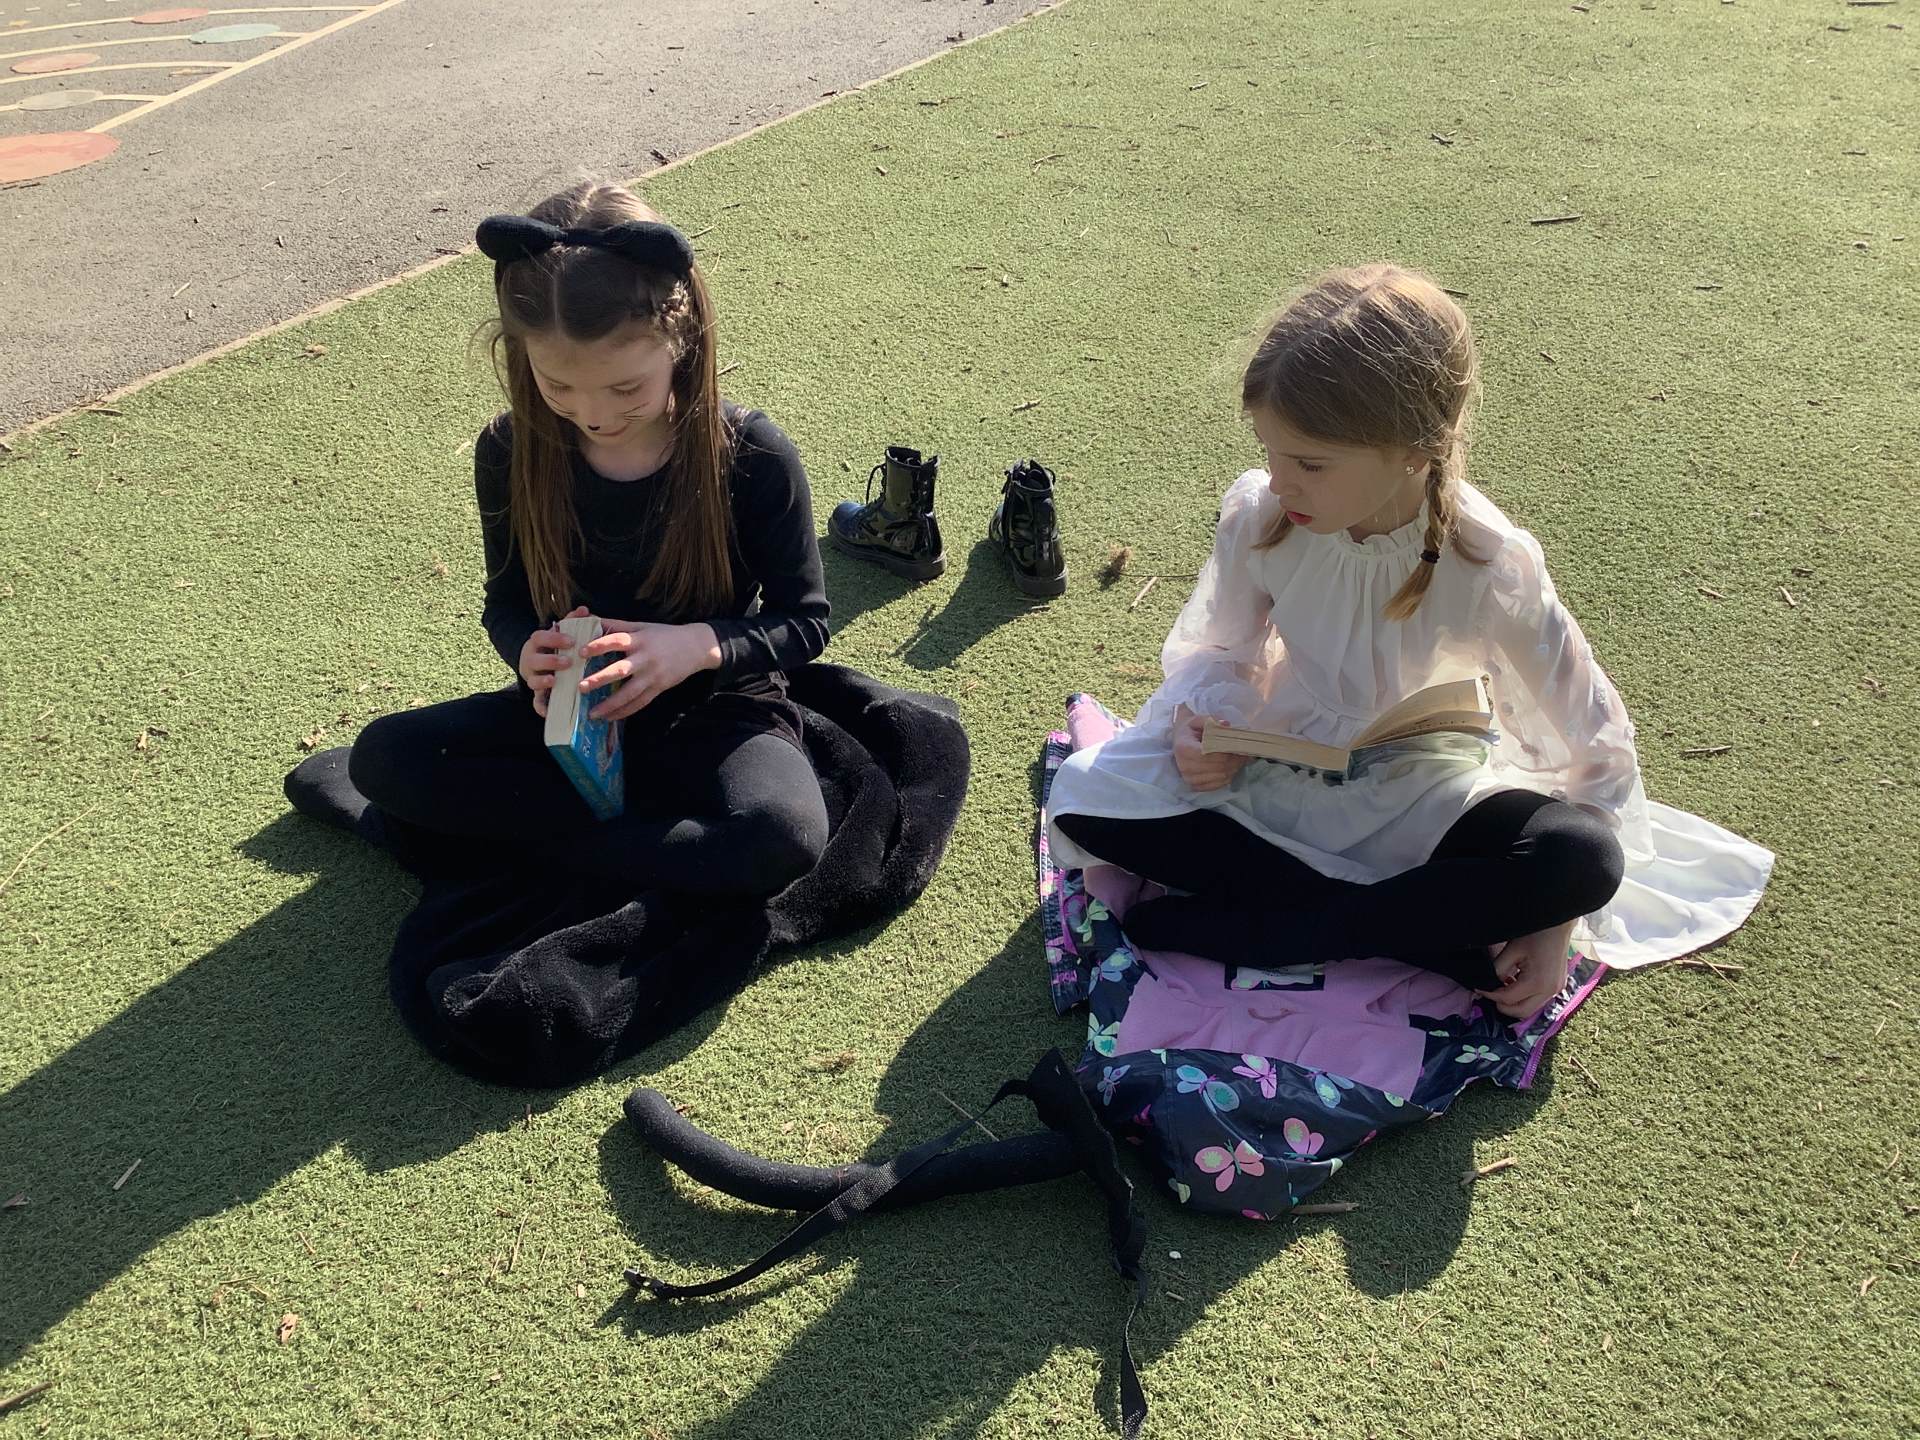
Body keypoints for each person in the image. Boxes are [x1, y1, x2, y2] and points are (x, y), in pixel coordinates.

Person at [1046, 264, 1772, 1017]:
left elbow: (1593, 738)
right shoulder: (1263, 517)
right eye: (1271, 451)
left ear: (1413, 449)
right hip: (1278, 763)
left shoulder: (1488, 562)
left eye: (1310, 464)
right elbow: (1219, 653)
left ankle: (1293, 929)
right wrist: (1206, 729)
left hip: (1425, 794)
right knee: (1084, 797)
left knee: (1582, 858)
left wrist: (1555, 922)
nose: (1281, 481)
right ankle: (1417, 935)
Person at [288, 179, 830, 900]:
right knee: (382, 759)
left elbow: (805, 620)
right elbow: (507, 603)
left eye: (625, 388)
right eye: (558, 386)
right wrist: (529, 655)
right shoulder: (511, 450)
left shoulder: (751, 452)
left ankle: (507, 847)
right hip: (576, 719)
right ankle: (646, 844)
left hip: (716, 708)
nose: (594, 414)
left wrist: (695, 647)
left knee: (782, 834)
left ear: (681, 340)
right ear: (523, 356)